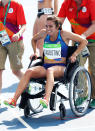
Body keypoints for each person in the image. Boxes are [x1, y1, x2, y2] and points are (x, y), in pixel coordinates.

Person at [4, 15, 87, 108]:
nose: (48, 29)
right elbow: (33, 39)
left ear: (57, 26)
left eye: (50, 26)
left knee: (50, 70)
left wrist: (75, 54)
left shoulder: (64, 34)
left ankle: (46, 99)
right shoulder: (44, 33)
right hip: (45, 66)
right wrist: (35, 52)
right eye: (46, 26)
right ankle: (14, 100)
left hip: (61, 68)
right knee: (29, 71)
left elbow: (84, 41)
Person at [58, 0, 95, 108]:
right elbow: (59, 21)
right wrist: (53, 28)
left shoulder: (91, 2)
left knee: (93, 69)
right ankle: (82, 94)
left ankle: (94, 97)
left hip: (93, 40)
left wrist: (83, 35)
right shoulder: (67, 3)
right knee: (77, 66)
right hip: (78, 41)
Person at [0, 0, 26, 104]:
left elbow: (24, 25)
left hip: (14, 42)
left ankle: (28, 87)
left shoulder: (17, 5)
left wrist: (18, 34)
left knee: (15, 71)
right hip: (1, 41)